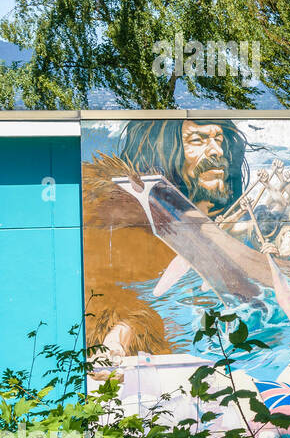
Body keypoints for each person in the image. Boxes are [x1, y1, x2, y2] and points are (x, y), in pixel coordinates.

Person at [82, 118, 253, 359]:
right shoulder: (129, 233)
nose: (217, 150)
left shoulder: (239, 227)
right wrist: (117, 341)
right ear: (164, 151)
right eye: (197, 140)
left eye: (219, 139)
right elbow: (117, 305)